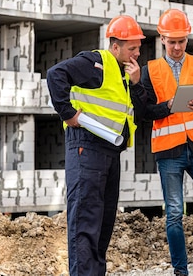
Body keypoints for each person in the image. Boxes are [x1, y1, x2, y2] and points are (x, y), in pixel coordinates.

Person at [46, 15, 147, 276]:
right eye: (132, 47)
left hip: (110, 152)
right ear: (116, 46)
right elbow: (55, 74)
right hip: (87, 148)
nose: (137, 53)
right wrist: (68, 114)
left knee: (103, 225)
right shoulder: (96, 62)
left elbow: (140, 109)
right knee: (85, 223)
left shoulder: (124, 74)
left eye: (138, 47)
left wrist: (136, 84)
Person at [141, 8, 193, 276]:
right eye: (172, 41)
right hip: (169, 152)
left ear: (187, 39)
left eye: (181, 41)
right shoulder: (150, 71)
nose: (177, 47)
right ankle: (181, 271)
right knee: (175, 215)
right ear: (162, 38)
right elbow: (144, 112)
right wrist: (167, 106)